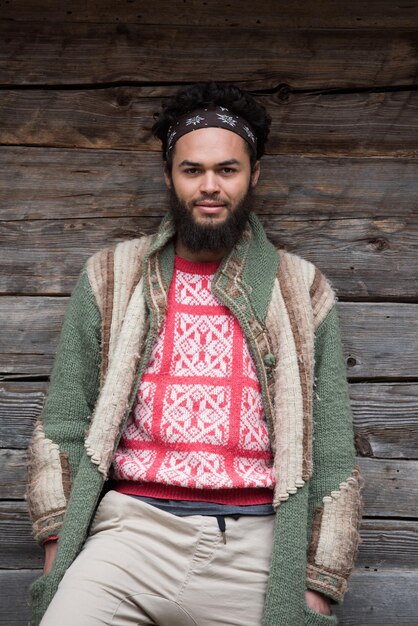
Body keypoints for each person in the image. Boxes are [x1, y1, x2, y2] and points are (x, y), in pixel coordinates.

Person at [27, 82, 362, 626]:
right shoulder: (113, 276)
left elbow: (330, 447)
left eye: (227, 170)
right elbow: (63, 419)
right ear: (169, 176)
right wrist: (58, 555)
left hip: (256, 547)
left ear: (254, 175)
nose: (210, 186)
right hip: (128, 534)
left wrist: (317, 587)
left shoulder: (301, 289)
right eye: (192, 170)